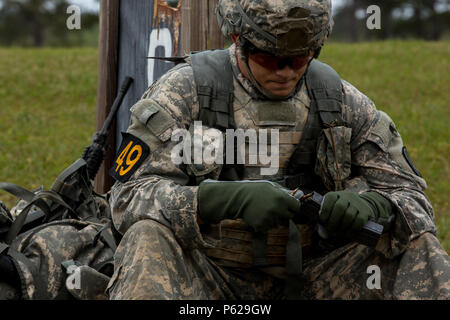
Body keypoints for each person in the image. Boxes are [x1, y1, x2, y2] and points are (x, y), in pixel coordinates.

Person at [106, 0, 449, 299]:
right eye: (269, 59)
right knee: (147, 237)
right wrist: (219, 199)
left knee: (418, 246)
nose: (286, 72)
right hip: (208, 275)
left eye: (300, 59)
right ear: (239, 40)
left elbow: (415, 202)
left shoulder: (340, 101)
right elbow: (126, 198)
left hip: (314, 276)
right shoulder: (186, 92)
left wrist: (373, 204)